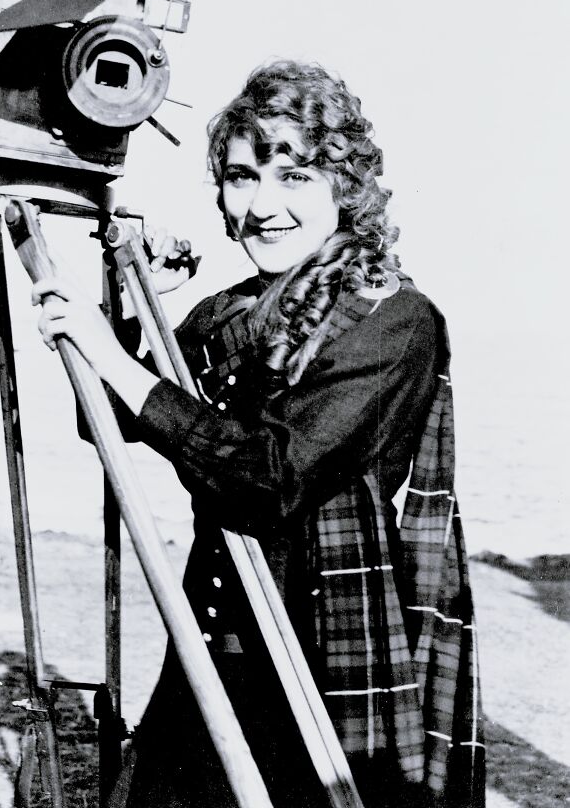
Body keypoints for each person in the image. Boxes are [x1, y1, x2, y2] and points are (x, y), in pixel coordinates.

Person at [32, 61, 485, 807]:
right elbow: (104, 419)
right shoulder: (230, 311)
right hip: (212, 651)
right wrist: (136, 298)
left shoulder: (391, 321)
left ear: (346, 188)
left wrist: (116, 359)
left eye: (295, 176)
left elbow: (268, 477)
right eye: (242, 178)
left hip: (323, 669)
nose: (263, 205)